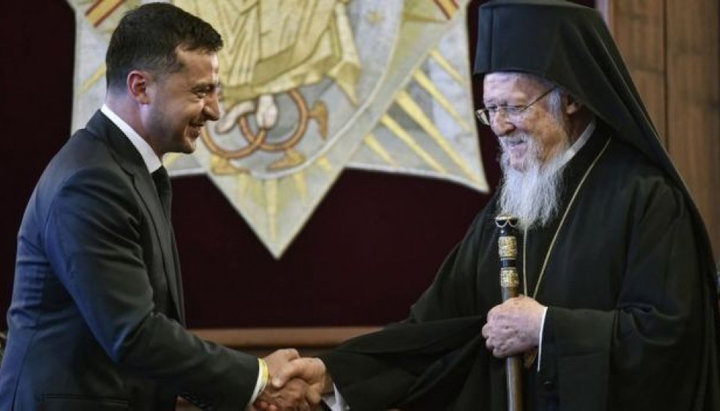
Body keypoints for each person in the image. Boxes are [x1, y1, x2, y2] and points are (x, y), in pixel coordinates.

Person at [267, 0, 720, 410]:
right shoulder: (513, 202)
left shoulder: (647, 198)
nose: (499, 127)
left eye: (515, 107)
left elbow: (670, 341)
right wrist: (331, 375)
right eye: (490, 110)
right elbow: (436, 328)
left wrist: (546, 328)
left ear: (574, 98)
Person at [0, 4, 316, 410]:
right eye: (201, 92)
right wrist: (258, 380)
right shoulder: (92, 181)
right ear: (140, 87)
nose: (216, 111)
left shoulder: (128, 168)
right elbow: (133, 333)